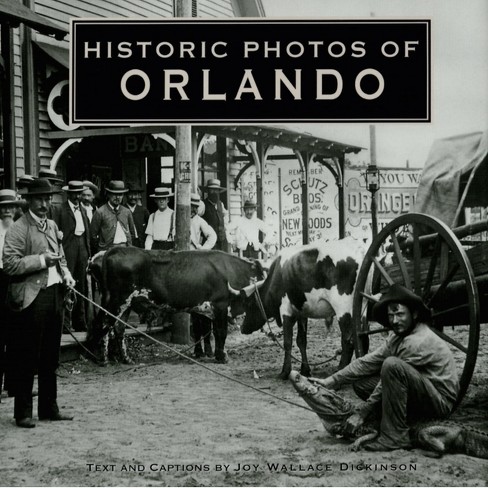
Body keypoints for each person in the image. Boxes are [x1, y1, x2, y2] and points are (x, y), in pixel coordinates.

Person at [312, 283, 459, 452]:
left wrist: (362, 413)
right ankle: (395, 417)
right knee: (361, 384)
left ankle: (394, 437)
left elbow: (390, 376)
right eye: (391, 315)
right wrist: (331, 381)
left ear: (415, 313)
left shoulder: (418, 341)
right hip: (419, 389)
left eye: (400, 314)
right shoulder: (399, 336)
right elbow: (367, 362)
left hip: (439, 402)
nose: (395, 321)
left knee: (391, 365)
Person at [2, 179, 76, 428]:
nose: (44, 204)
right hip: (30, 299)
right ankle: (22, 413)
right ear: (29, 201)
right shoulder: (19, 228)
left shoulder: (53, 226)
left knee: (50, 357)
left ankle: (48, 408)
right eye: (39, 200)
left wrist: (66, 274)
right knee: (26, 356)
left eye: (47, 199)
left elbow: (62, 258)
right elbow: (11, 264)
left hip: (55, 296)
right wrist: (41, 261)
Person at [53, 181, 91, 332]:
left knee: (81, 285)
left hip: (82, 250)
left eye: (79, 193)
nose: (77, 196)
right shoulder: (60, 210)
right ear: (68, 194)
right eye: (74, 193)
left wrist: (88, 253)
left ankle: (80, 322)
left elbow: (87, 233)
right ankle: (66, 324)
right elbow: (56, 233)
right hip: (68, 251)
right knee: (68, 286)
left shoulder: (83, 210)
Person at [0, 190, 20, 401]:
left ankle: (14, 386)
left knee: (17, 336)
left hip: (16, 281)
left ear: (15, 209)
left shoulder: (19, 229)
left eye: (10, 207)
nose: (6, 210)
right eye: (3, 207)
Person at [90, 180, 136, 253]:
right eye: (114, 194)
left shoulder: (127, 212)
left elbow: (132, 233)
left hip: (126, 250)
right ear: (108, 194)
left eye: (120, 194)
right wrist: (102, 248)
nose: (117, 197)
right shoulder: (100, 212)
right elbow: (93, 236)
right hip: (108, 250)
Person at [202, 178, 229, 252]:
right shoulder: (203, 205)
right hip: (210, 242)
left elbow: (225, 215)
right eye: (212, 190)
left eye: (216, 190)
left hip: (222, 242)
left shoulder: (220, 204)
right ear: (208, 191)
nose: (214, 192)